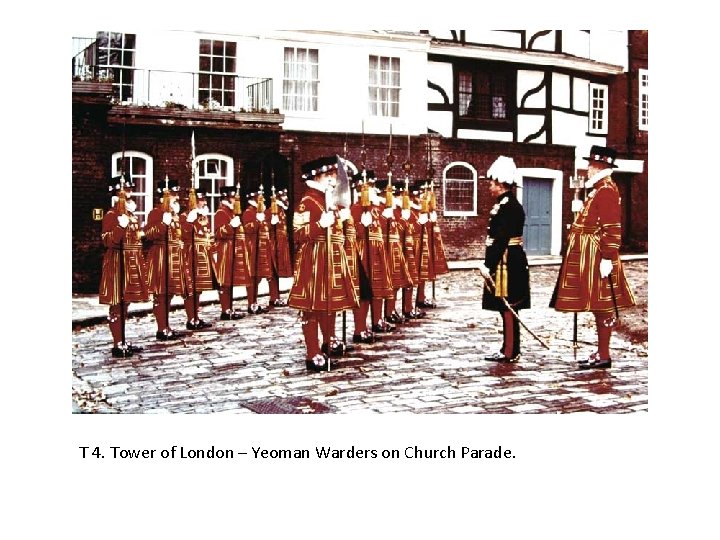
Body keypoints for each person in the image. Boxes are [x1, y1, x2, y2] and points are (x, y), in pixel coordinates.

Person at [551, 145, 636, 369]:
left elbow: (612, 227)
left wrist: (607, 256)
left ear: (600, 166)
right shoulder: (599, 189)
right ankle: (602, 352)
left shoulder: (606, 190)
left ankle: (605, 354)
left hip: (597, 254)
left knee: (603, 304)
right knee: (599, 304)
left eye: (591, 164)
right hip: (590, 253)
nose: (587, 168)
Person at [288, 155, 359, 372]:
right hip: (314, 259)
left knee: (330, 304)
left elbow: (343, 233)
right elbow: (298, 235)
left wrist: (345, 219)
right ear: (316, 176)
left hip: (331, 257)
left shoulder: (327, 200)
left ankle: (328, 342)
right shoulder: (307, 201)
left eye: (333, 176)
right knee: (311, 307)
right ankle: (312, 352)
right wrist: (320, 224)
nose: (333, 180)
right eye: (329, 176)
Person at [479, 156, 531, 362]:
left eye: (492, 183)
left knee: (508, 306)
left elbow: (500, 239)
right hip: (506, 259)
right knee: (505, 307)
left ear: (500, 185)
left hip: (507, 262)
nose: (490, 187)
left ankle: (510, 351)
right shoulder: (505, 203)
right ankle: (508, 347)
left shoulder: (508, 206)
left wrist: (488, 264)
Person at [99, 176, 149, 357]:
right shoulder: (112, 215)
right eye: (126, 191)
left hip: (131, 261)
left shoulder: (130, 215)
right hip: (117, 262)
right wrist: (120, 227)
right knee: (116, 303)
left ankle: (123, 340)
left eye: (129, 190)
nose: (129, 194)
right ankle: (117, 343)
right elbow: (108, 240)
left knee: (125, 303)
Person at [144, 178, 191, 340]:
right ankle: (161, 328)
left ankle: (166, 326)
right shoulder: (156, 212)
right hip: (161, 256)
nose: (176, 197)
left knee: (169, 293)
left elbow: (181, 234)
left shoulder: (174, 215)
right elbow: (149, 234)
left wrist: (187, 224)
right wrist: (163, 224)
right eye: (173, 194)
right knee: (160, 293)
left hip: (174, 255)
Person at [213, 185, 250, 321]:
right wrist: (230, 227)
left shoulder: (232, 212)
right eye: (233, 197)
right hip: (225, 249)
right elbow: (218, 233)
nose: (235, 200)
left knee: (230, 280)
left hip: (233, 249)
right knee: (225, 280)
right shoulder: (221, 213)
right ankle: (225, 309)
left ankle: (229, 308)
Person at [180, 187, 214, 330]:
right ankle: (191, 318)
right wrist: (189, 222)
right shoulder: (185, 217)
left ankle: (196, 316)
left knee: (198, 288)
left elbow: (209, 235)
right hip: (191, 253)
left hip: (203, 254)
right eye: (201, 200)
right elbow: (184, 234)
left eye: (204, 200)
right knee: (191, 288)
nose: (203, 203)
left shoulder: (203, 218)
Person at [242, 190, 271, 315]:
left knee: (258, 277)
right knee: (252, 277)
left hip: (261, 248)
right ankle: (251, 303)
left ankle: (255, 302)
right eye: (260, 198)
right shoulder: (249, 212)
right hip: (252, 247)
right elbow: (247, 229)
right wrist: (256, 222)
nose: (263, 200)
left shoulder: (259, 212)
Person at [267, 188, 293, 307]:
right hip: (274, 243)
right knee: (273, 271)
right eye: (283, 195)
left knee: (278, 271)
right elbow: (266, 228)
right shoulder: (272, 210)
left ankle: (276, 296)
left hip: (281, 242)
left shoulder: (281, 209)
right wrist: (270, 223)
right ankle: (274, 297)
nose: (286, 197)